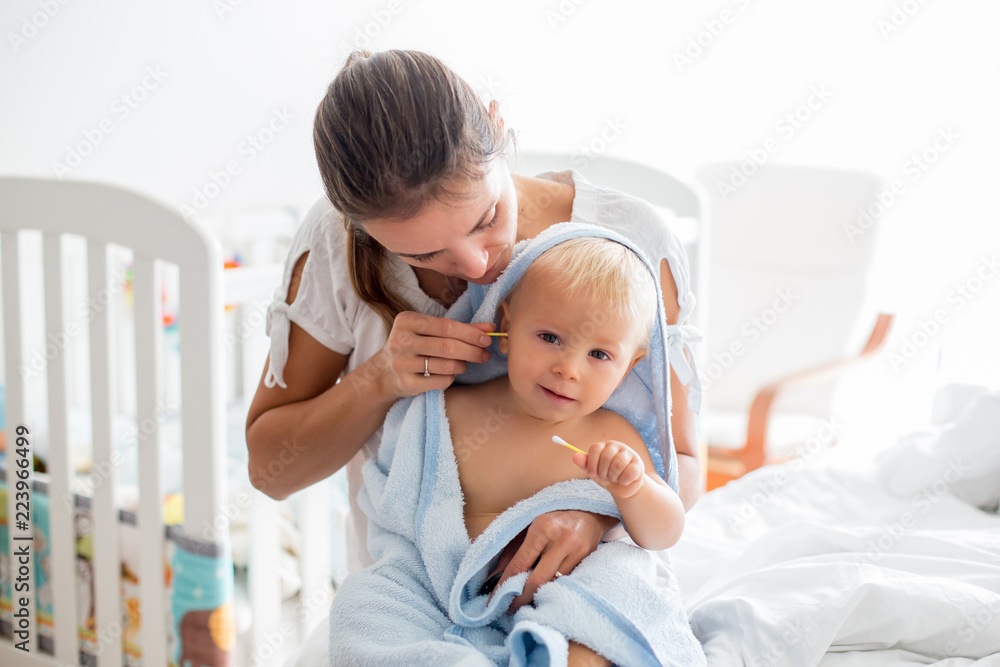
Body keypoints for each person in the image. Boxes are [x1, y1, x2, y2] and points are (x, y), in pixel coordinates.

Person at [245, 48, 702, 614]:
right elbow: (269, 471)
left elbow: (684, 464)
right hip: (412, 600)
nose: (476, 264)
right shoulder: (332, 244)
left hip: (587, 589)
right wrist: (381, 379)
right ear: (360, 228)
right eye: (423, 253)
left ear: (497, 125)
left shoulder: (626, 240)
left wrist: (596, 511)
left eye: (486, 219)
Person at [326, 233, 701, 666]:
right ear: (506, 330)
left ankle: (557, 657)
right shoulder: (446, 411)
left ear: (629, 367)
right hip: (436, 590)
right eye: (549, 337)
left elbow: (662, 533)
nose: (568, 369)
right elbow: (396, 501)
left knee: (616, 585)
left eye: (598, 353)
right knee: (361, 605)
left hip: (559, 597)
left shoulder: (612, 438)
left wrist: (633, 489)